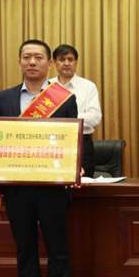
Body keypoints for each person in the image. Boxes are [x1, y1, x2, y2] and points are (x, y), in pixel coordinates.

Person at [0, 39, 78, 277]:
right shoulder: (4, 97)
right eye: (27, 57)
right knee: (25, 247)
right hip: (17, 186)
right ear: (19, 61)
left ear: (49, 63)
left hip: (51, 185)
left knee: (57, 247)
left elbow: (70, 140)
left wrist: (73, 168)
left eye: (38, 57)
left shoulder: (63, 98)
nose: (32, 62)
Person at [51, 44, 102, 177]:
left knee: (82, 184)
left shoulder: (88, 86)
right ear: (54, 62)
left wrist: (64, 116)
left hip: (81, 143)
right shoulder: (47, 86)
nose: (66, 63)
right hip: (52, 143)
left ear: (76, 62)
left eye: (70, 59)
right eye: (62, 60)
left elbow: (95, 118)